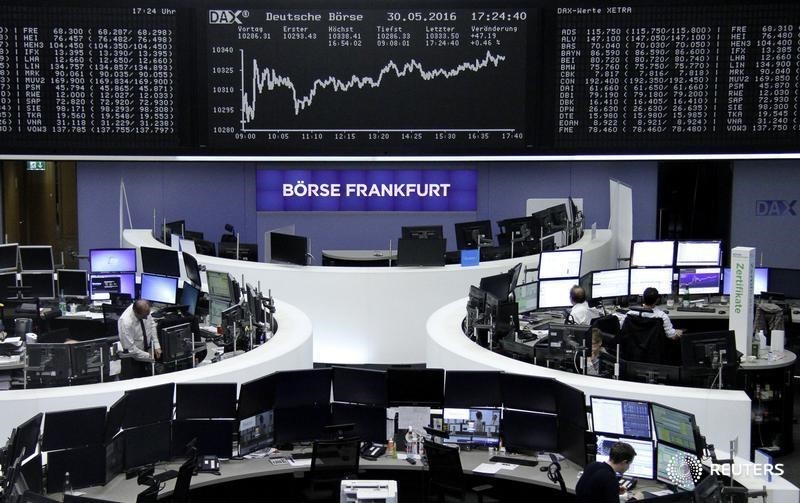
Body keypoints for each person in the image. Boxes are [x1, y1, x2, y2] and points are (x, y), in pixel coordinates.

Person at [118, 299, 161, 379]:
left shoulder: (144, 310)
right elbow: (131, 349)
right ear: (136, 312)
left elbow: (152, 324)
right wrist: (149, 356)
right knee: (136, 382)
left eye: (148, 314)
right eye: (144, 316)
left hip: (146, 350)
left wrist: (156, 344)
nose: (147, 317)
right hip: (132, 357)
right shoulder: (126, 322)